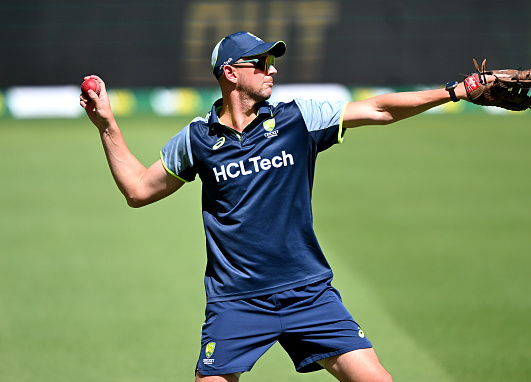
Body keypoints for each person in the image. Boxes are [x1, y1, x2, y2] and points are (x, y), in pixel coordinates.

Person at [80, 31, 485, 382]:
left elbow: (379, 109)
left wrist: (454, 91)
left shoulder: (298, 120)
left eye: (272, 60)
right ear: (230, 73)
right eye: (261, 62)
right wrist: (107, 126)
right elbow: (137, 189)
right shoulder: (198, 139)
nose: (272, 69)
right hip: (237, 300)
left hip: (307, 293)